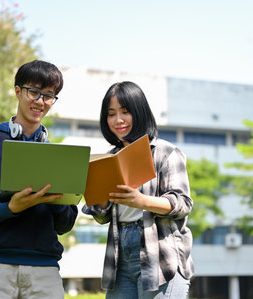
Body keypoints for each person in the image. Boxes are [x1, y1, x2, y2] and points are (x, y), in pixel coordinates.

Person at [0, 60, 77, 299]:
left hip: (45, 270)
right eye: (34, 92)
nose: (40, 101)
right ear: (17, 90)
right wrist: (10, 208)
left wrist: (59, 199)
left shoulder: (57, 156)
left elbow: (65, 223)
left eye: (49, 96)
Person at [83, 81, 194, 298]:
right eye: (111, 114)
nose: (118, 120)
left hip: (161, 255)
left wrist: (141, 201)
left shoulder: (165, 152)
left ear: (140, 112)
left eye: (125, 112)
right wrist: (101, 198)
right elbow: (100, 216)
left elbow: (182, 204)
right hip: (119, 254)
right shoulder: (108, 157)